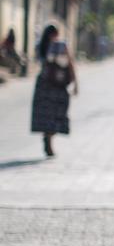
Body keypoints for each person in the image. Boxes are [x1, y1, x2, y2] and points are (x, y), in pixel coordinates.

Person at [30, 24, 78, 158]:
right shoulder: (61, 45)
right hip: (57, 85)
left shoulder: (40, 46)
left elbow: (38, 63)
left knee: (46, 115)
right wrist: (75, 83)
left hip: (43, 84)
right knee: (58, 114)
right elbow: (71, 63)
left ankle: (47, 138)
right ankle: (49, 139)